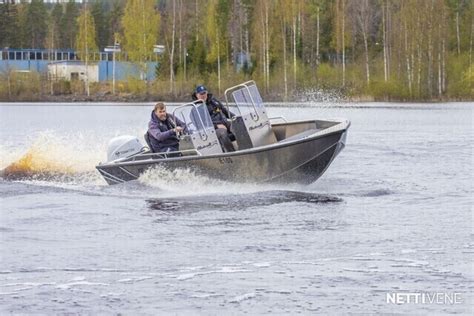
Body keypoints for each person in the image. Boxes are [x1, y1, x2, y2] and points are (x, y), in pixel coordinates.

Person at [191, 85, 236, 152]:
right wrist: (216, 126)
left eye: (204, 93)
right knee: (222, 132)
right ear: (197, 95)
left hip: (225, 123)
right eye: (201, 94)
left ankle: (246, 148)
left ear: (207, 93)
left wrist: (235, 118)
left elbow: (224, 110)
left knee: (238, 125)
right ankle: (232, 153)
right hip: (211, 132)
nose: (203, 95)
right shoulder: (195, 109)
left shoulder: (214, 101)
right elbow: (201, 126)